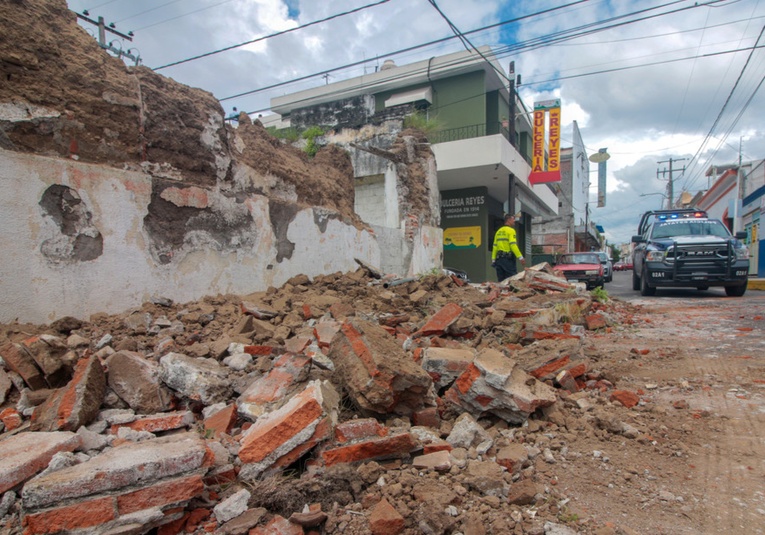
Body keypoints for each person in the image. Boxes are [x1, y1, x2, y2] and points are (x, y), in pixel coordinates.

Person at [492, 213, 526, 281]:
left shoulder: (498, 232)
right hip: (508, 260)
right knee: (512, 281)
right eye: (513, 219)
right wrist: (520, 257)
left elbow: (495, 247)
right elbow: (513, 245)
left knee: (501, 281)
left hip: (499, 260)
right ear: (509, 220)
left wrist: (493, 260)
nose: (514, 221)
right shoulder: (511, 231)